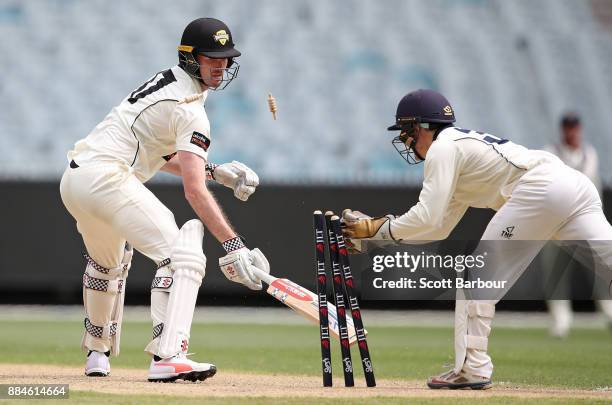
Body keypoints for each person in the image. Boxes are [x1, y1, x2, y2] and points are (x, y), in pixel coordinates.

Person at [341, 89, 612, 390]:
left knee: (477, 275)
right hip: (576, 186)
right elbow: (438, 227)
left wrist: (377, 227)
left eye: (407, 131)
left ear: (422, 128)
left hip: (540, 188)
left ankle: (472, 368)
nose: (405, 140)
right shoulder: (458, 151)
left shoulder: (442, 149)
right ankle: (472, 367)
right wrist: (379, 234)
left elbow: (427, 218)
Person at [60, 17, 270, 383]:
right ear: (191, 58)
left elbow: (156, 153)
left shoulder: (166, 82)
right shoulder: (190, 108)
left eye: (226, 59)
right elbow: (193, 190)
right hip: (108, 178)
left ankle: (97, 354)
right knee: (180, 253)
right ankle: (168, 355)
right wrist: (233, 245)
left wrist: (215, 170)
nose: (220, 66)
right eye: (211, 58)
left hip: (76, 179)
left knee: (106, 264)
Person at [542, 112, 612, 337]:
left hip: (584, 223)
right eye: (567, 127)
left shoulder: (589, 154)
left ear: (579, 129)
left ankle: (609, 313)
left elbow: (594, 189)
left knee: (601, 271)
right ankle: (561, 321)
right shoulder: (549, 152)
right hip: (556, 226)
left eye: (574, 127)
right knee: (556, 275)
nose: (571, 132)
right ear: (562, 129)